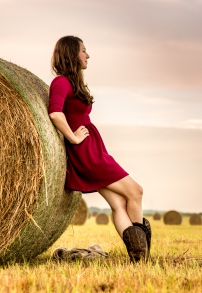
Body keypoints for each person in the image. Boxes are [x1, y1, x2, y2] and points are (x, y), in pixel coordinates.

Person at [47, 35, 151, 262]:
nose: (88, 55)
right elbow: (55, 112)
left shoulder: (73, 83)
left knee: (119, 203)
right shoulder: (61, 82)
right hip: (86, 153)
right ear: (72, 54)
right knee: (136, 191)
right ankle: (142, 255)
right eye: (84, 50)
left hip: (94, 150)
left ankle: (139, 257)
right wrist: (73, 139)